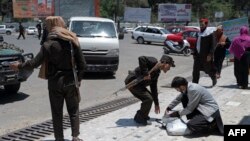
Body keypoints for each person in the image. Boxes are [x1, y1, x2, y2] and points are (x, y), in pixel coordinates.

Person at [10, 16, 86, 141]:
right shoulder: (72, 40)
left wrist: (18, 65)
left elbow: (34, 63)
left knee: (57, 112)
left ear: (51, 26)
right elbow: (82, 65)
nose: (45, 27)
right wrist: (78, 80)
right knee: (73, 110)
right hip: (71, 81)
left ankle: (59, 138)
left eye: (46, 25)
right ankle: (75, 137)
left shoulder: (48, 44)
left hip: (54, 83)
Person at [124, 55, 175, 125]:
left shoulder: (157, 72)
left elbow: (153, 88)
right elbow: (141, 58)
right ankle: (140, 118)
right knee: (148, 99)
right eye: (170, 66)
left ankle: (141, 115)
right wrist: (146, 73)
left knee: (150, 97)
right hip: (132, 83)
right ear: (165, 63)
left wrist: (156, 103)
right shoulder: (153, 61)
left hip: (139, 85)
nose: (169, 69)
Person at [192, 18, 217, 86]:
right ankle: (195, 84)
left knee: (208, 69)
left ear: (206, 24)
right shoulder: (199, 33)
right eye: (200, 24)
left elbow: (213, 45)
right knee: (195, 70)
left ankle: (213, 78)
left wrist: (210, 54)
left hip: (206, 55)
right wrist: (194, 53)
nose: (201, 26)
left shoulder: (210, 33)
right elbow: (197, 43)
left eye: (202, 24)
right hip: (198, 55)